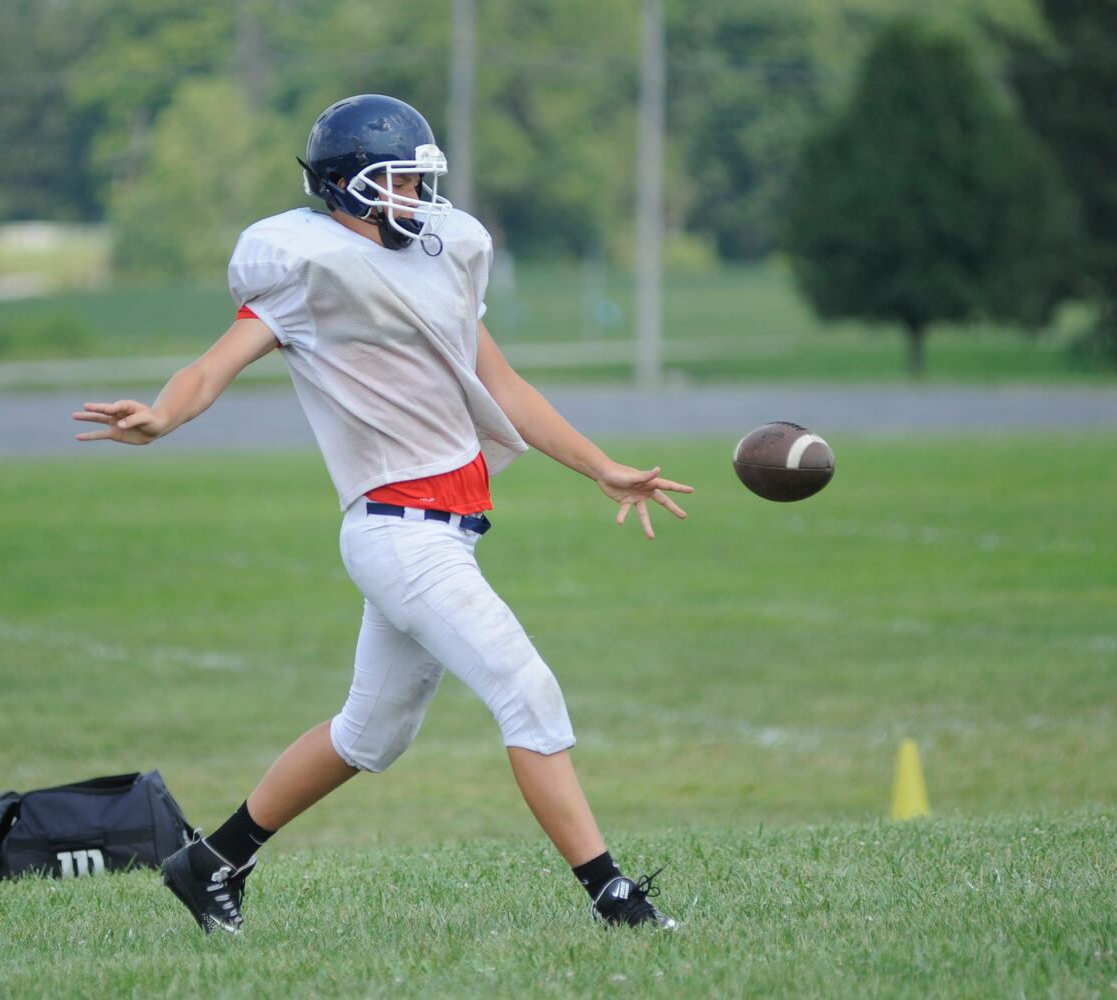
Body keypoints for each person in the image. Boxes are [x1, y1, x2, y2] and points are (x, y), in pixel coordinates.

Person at [73, 94, 693, 934]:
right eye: (397, 181)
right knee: (528, 693)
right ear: (345, 189)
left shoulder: (440, 256)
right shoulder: (307, 270)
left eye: (418, 178)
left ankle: (212, 860)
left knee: (372, 734)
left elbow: (501, 388)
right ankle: (613, 897)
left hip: (446, 529)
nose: (415, 196)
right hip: (397, 531)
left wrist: (600, 469)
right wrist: (162, 415)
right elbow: (214, 363)